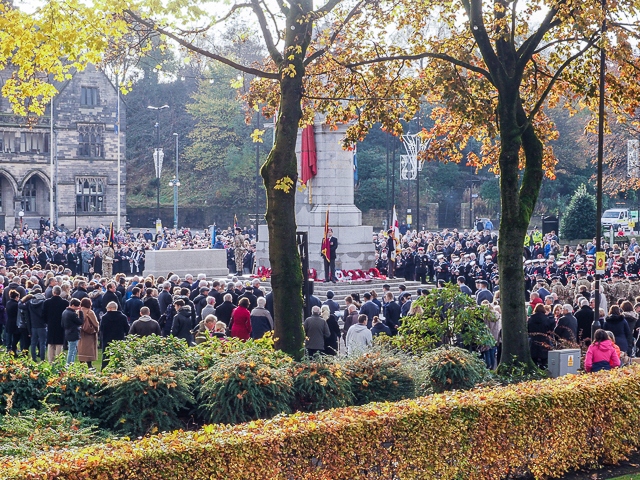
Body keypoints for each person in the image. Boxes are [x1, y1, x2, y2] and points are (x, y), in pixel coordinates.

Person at [100, 301, 130, 369]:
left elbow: (101, 329)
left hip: (107, 339)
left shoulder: (104, 317)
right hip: (119, 339)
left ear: (110, 308)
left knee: (106, 357)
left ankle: (104, 370)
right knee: (119, 356)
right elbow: (127, 329)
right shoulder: (123, 317)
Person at [44, 285, 69, 362]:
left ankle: (51, 360)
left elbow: (44, 315)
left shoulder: (47, 302)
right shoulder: (65, 303)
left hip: (51, 324)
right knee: (59, 343)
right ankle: (58, 360)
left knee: (51, 343)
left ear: (53, 292)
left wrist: (47, 322)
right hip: (60, 325)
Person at [527, 303, 555, 368]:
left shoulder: (531, 319)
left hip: (533, 339)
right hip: (544, 340)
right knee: (544, 358)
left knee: (534, 358)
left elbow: (528, 329)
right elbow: (550, 330)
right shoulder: (546, 319)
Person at [78, 298, 99, 368]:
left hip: (80, 333)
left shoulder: (78, 312)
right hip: (89, 334)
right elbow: (95, 324)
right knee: (89, 350)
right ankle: (89, 365)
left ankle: (81, 364)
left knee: (81, 348)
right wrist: (97, 330)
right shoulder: (90, 312)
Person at [62, 298, 83, 364]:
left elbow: (62, 324)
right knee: (72, 351)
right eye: (77, 306)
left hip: (67, 332)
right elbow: (80, 322)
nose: (78, 308)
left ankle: (71, 363)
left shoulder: (64, 312)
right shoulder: (72, 314)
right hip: (73, 333)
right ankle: (69, 364)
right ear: (73, 305)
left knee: (73, 350)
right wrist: (81, 312)